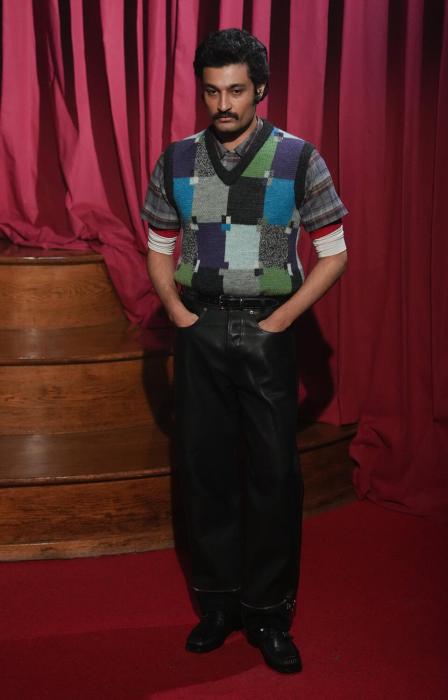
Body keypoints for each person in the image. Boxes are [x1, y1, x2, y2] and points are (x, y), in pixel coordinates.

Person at [141, 28, 348, 674]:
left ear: (260, 89)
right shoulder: (177, 159)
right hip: (199, 326)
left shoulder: (297, 158)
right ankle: (218, 605)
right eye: (212, 91)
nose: (222, 104)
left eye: (235, 90)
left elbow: (334, 253)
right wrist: (177, 313)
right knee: (204, 472)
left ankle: (268, 613)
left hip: (266, 330)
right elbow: (158, 245)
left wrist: (280, 320)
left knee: (272, 476)